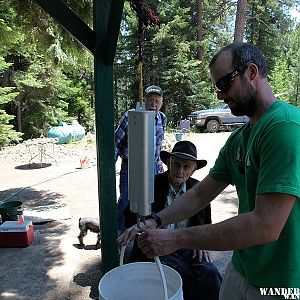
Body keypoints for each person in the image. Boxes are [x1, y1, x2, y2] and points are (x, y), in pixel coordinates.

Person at [118, 42, 300, 299]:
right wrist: (155, 220)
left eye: (224, 83)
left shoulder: (283, 127)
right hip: (243, 268)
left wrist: (176, 239)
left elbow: (265, 225)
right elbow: (200, 193)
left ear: (251, 72)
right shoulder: (239, 139)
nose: (220, 95)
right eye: (216, 87)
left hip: (283, 281)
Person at [123, 140, 222, 300]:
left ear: (194, 169)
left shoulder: (200, 190)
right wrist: (142, 226)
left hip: (188, 245)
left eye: (186, 166)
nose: (180, 171)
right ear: (169, 163)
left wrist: (203, 242)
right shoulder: (151, 185)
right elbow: (128, 216)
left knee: (209, 273)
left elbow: (206, 222)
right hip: (156, 245)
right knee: (176, 274)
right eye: (176, 164)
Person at [115, 85, 167, 232]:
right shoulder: (131, 116)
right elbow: (116, 142)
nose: (153, 104)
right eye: (150, 100)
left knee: (152, 202)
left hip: (153, 166)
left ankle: (146, 235)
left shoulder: (162, 119)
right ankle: (118, 235)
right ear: (145, 101)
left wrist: (159, 165)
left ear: (161, 104)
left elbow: (158, 143)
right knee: (126, 200)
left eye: (157, 101)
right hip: (131, 166)